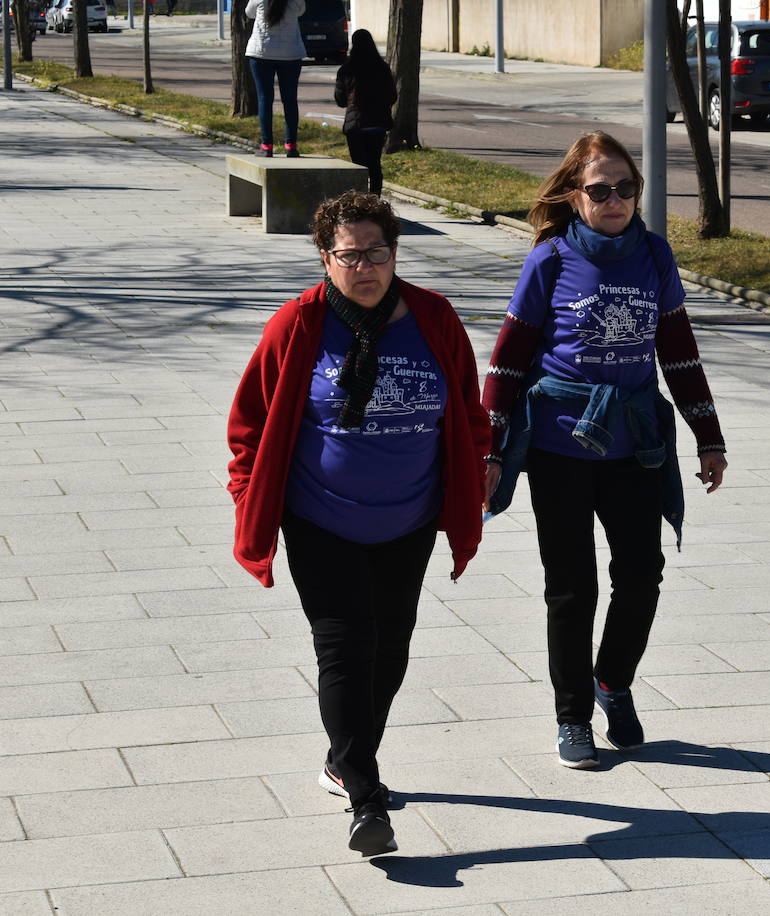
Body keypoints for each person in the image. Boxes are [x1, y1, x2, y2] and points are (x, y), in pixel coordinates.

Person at [227, 191, 490, 855]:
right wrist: (247, 495)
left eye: (377, 253)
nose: (365, 268)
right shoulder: (297, 325)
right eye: (350, 256)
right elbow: (249, 424)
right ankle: (367, 799)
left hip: (409, 516)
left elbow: (466, 404)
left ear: (394, 252)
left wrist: (479, 464)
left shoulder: (433, 316)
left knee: (391, 648)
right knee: (344, 646)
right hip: (320, 517)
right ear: (325, 258)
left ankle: (343, 759)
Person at [482, 131, 728, 770]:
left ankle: (612, 681)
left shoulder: (654, 254)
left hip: (635, 444)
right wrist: (489, 448)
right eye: (600, 189)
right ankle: (572, 718)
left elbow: (676, 350)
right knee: (572, 587)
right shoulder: (550, 260)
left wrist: (709, 437)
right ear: (574, 195)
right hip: (560, 446)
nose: (614, 198)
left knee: (642, 573)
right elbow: (508, 361)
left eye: (626, 187)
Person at [333, 29, 397, 195]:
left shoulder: (346, 70)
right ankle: (375, 201)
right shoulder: (382, 68)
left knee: (358, 166)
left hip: (356, 125)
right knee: (375, 165)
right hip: (378, 124)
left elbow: (340, 100)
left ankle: (360, 201)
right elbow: (392, 96)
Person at [244, 0, 305, 158]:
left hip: (261, 53)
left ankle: (267, 146)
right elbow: (301, 11)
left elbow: (249, 13)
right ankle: (291, 145)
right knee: (290, 100)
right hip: (290, 54)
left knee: (265, 99)